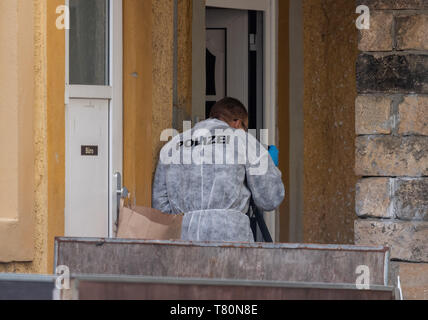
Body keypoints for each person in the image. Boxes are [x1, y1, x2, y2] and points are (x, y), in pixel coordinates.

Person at [152, 97, 285, 242]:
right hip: (231, 238)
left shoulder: (173, 145)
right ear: (238, 123)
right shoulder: (242, 140)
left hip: (185, 239)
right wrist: (268, 166)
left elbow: (161, 208)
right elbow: (270, 199)